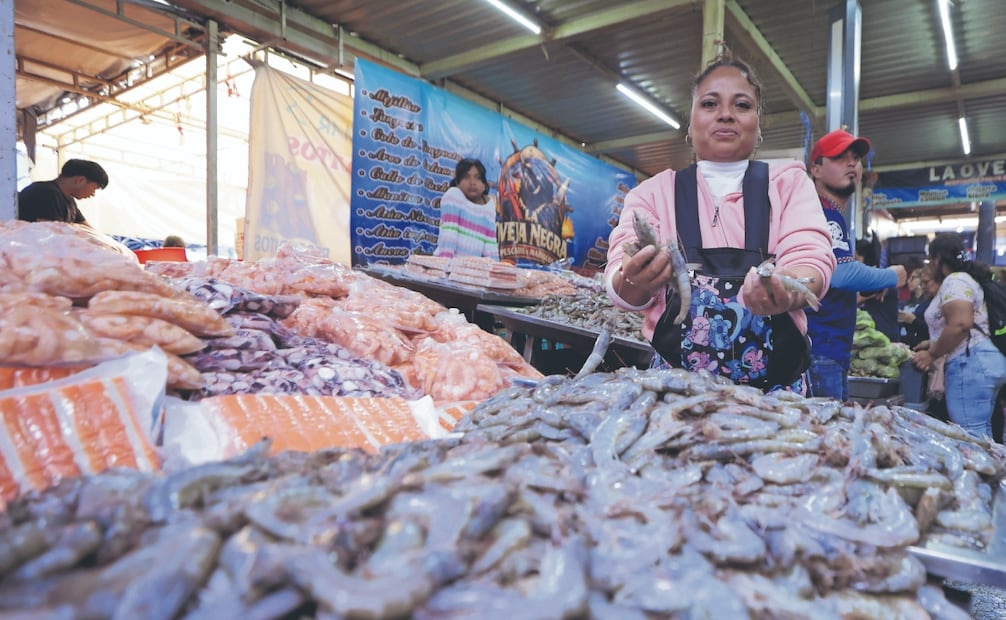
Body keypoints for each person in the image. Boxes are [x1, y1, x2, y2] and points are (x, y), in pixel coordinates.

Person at [605, 50, 835, 393]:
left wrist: (790, 288)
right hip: (673, 391)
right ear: (691, 119)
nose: (726, 114)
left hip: (776, 398)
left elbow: (810, 256)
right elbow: (620, 286)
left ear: (758, 122)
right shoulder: (652, 194)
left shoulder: (788, 183)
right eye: (710, 104)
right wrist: (634, 279)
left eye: (742, 105)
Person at [804, 129, 906, 400]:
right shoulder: (821, 213)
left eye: (856, 158)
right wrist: (891, 275)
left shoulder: (832, 214)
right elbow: (839, 273)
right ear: (816, 168)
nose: (851, 163)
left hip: (828, 349)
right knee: (824, 438)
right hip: (819, 349)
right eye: (839, 157)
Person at [911, 233, 1006, 439]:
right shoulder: (967, 279)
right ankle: (995, 470)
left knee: (969, 437)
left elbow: (961, 324)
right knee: (983, 435)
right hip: (984, 361)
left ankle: (982, 471)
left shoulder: (955, 281)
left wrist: (932, 354)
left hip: (969, 364)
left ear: (937, 259)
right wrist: (932, 342)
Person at [433, 158, 499, 260]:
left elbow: (490, 246)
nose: (472, 182)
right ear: (458, 182)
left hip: (471, 271)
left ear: (483, 184)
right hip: (448, 266)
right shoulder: (453, 196)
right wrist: (444, 270)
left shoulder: (489, 206)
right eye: (466, 177)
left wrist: (494, 272)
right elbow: (448, 237)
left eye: (478, 178)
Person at [17, 159, 109, 225]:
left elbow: (86, 228)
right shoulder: (46, 193)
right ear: (80, 180)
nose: (93, 194)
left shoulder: (69, 200)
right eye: (94, 188)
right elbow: (49, 234)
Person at [899, 268, 934, 349]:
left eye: (913, 278)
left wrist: (914, 321)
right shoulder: (907, 302)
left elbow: (933, 328)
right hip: (908, 343)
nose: (908, 281)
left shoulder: (931, 302)